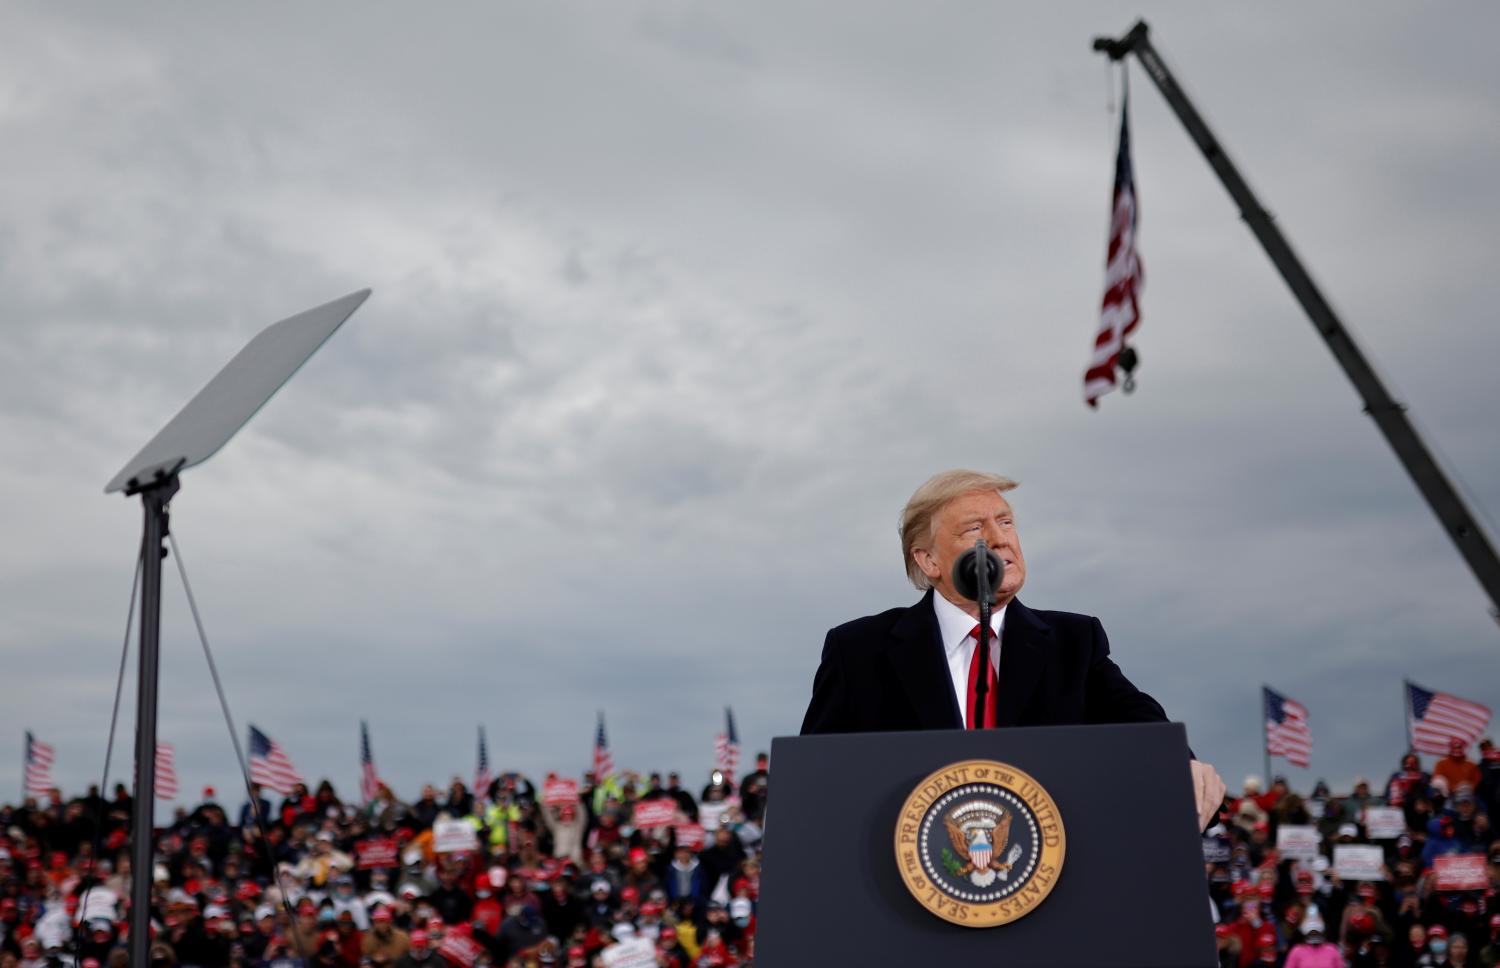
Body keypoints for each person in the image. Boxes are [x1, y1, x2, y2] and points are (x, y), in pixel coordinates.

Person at [799, 469, 1226, 828]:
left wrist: (1183, 766)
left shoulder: (1074, 643)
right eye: (974, 528)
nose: (999, 539)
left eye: (1005, 522)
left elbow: (1141, 724)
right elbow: (812, 787)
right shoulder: (858, 652)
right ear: (929, 561)